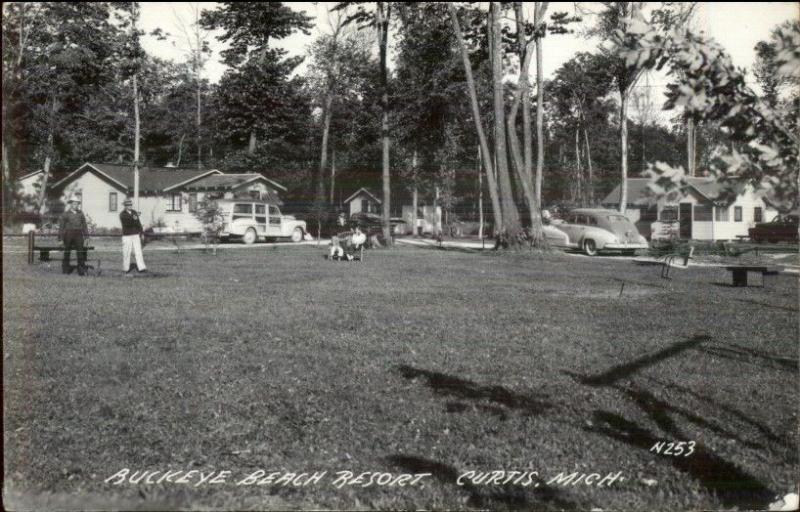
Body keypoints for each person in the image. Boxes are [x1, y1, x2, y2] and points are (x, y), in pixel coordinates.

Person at [59, 196, 89, 275]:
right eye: (74, 203)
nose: (75, 205)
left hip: (79, 234)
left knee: (80, 251)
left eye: (77, 204)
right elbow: (61, 227)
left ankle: (81, 269)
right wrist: (60, 239)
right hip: (68, 234)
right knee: (67, 251)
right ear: (71, 204)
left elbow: (84, 225)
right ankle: (65, 269)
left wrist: (86, 237)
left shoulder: (81, 213)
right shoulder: (65, 214)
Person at [120, 199, 147, 275]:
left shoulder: (134, 212)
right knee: (126, 252)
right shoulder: (122, 214)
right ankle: (125, 269)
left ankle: (142, 268)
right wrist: (134, 218)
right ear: (125, 206)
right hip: (127, 235)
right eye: (128, 205)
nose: (130, 206)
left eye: (131, 205)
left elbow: (138, 223)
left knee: (138, 251)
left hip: (135, 234)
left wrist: (141, 232)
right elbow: (127, 223)